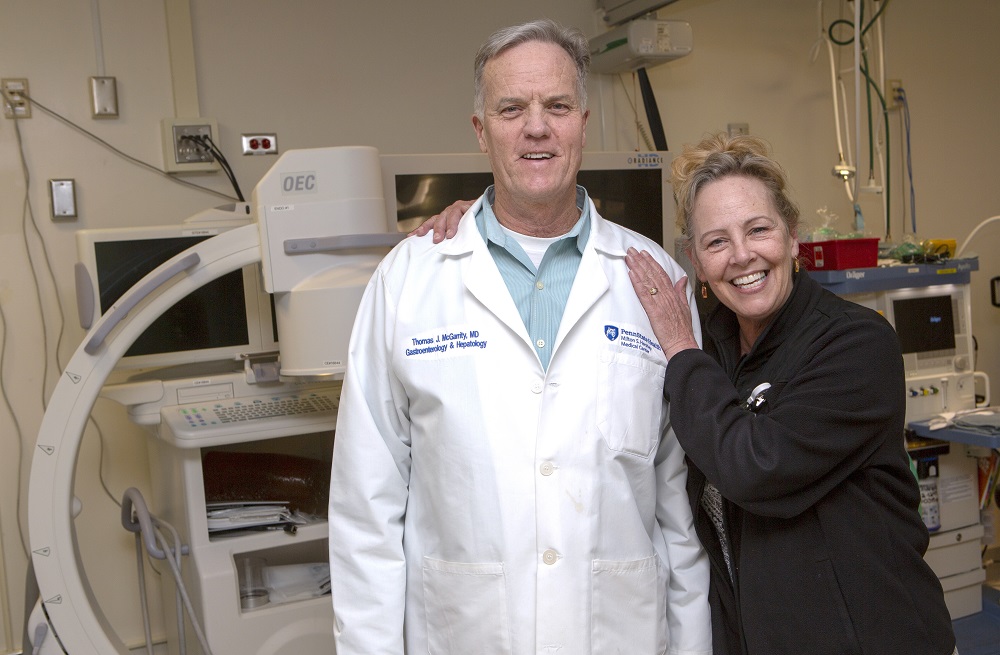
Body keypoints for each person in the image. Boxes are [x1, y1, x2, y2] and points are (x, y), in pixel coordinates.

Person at [328, 18, 712, 655]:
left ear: (584, 123)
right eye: (512, 109)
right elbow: (366, 510)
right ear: (482, 132)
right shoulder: (410, 281)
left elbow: (682, 511)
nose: (537, 127)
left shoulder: (654, 282)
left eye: (557, 106)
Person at [622, 133, 957, 654]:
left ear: (793, 236)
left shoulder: (856, 343)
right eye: (716, 242)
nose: (741, 256)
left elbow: (756, 467)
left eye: (758, 230)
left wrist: (682, 350)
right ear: (694, 259)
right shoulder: (713, 344)